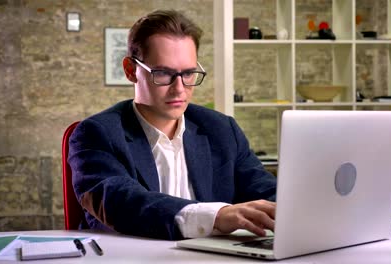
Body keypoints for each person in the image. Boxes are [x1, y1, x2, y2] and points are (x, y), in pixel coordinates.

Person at [68, 9, 276, 240]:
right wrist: (216, 215)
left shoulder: (222, 130)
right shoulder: (96, 133)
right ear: (130, 70)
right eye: (163, 74)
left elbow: (268, 193)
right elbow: (121, 203)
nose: (179, 89)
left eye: (188, 74)